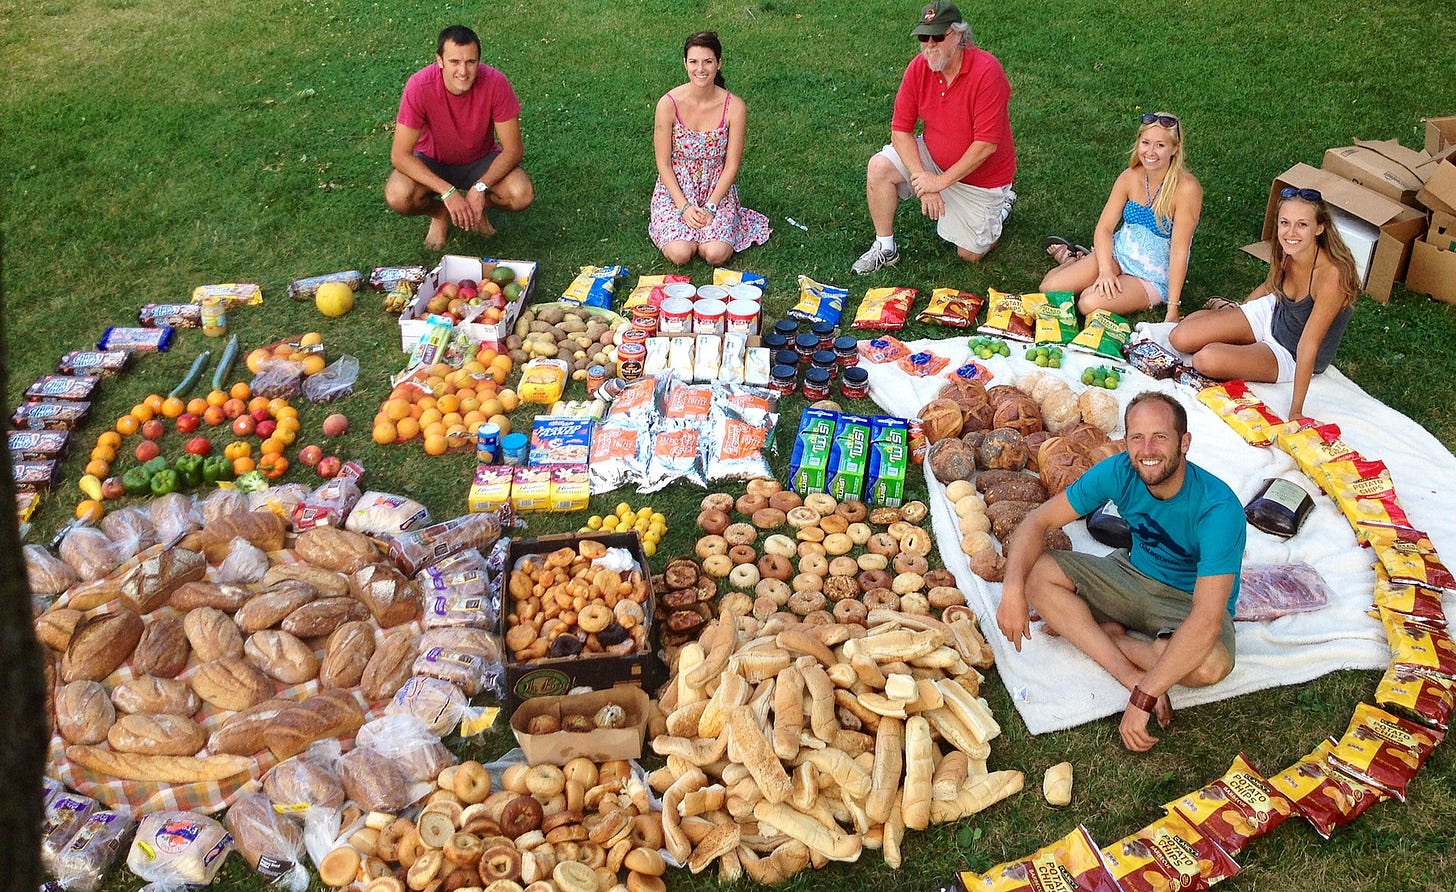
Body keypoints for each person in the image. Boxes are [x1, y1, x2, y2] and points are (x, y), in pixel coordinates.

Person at [996, 392, 1245, 752]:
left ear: (1184, 442)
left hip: (1187, 602)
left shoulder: (1219, 508)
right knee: (1035, 573)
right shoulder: (1119, 471)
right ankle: (1125, 664)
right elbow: (1038, 520)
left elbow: (1206, 620)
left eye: (1160, 437)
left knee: (1210, 665)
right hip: (1130, 575)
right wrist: (1012, 589)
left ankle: (1101, 636)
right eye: (1137, 438)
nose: (1148, 449)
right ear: (1124, 441)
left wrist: (1146, 695)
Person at [851, 0, 1016, 274]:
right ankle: (885, 246)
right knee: (879, 167)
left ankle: (1000, 210)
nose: (929, 44)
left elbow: (985, 145)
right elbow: (900, 130)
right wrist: (923, 180)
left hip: (980, 180)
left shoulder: (987, 72)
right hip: (932, 158)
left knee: (970, 254)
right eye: (923, 37)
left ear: (959, 35)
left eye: (938, 37)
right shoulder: (918, 68)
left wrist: (939, 182)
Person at [1168, 188, 1361, 419]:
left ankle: (1224, 319)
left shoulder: (1332, 276)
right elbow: (1270, 286)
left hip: (1290, 352)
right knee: (1179, 337)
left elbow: (1308, 345)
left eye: (1302, 225)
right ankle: (1226, 313)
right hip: (1273, 312)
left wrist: (1296, 411)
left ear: (1320, 228)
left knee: (1205, 359)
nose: (1291, 232)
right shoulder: (1288, 249)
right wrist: (1243, 310)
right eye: (1284, 222)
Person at [1039, 113, 1201, 323]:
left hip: (1150, 276)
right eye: (1145, 143)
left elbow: (1180, 250)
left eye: (1160, 145)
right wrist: (1105, 270)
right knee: (1048, 289)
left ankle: (1076, 260)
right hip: (1119, 255)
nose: (1150, 152)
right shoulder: (1129, 177)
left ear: (1175, 149)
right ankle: (1074, 259)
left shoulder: (1187, 188)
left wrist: (1172, 308)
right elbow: (1104, 228)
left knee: (1088, 303)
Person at [385, 25, 535, 250]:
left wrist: (480, 189)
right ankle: (440, 213)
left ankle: (475, 209)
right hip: (431, 161)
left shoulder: (496, 83)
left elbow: (513, 150)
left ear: (479, 61)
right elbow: (400, 155)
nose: (463, 71)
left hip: (480, 160)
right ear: (440, 60)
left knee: (521, 194)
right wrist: (447, 191)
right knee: (398, 195)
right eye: (454, 61)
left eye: (471, 62)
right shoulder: (419, 86)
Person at [648, 32, 771, 266]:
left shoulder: (734, 107)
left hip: (717, 188)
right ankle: (674, 224)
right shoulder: (668, 104)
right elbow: (663, 163)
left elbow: (732, 164)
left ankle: (719, 225)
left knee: (715, 254)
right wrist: (683, 207)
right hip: (676, 188)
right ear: (685, 63)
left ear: (718, 64)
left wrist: (712, 206)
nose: (700, 69)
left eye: (708, 61)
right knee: (680, 253)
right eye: (693, 61)